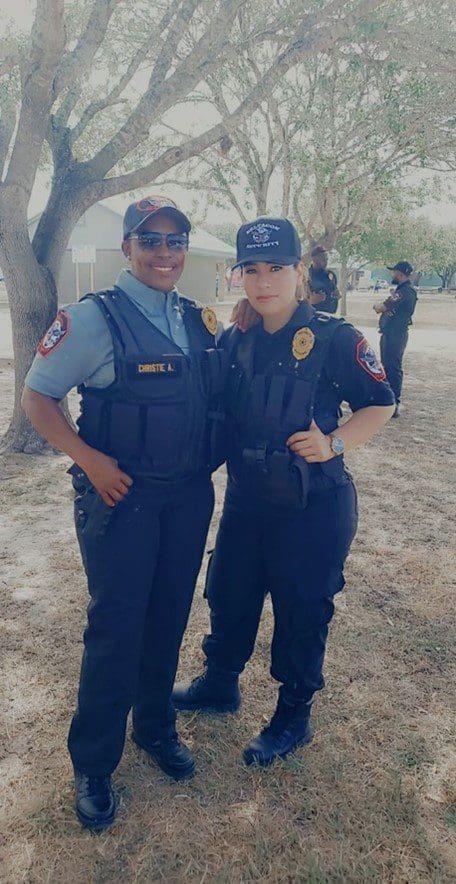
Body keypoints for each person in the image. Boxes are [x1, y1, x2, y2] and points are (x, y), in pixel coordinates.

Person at [22, 196, 228, 831]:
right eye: (151, 240)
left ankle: (154, 727)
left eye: (175, 241)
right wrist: (89, 460)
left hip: (188, 498)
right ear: (128, 247)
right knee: (116, 628)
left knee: (168, 615)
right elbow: (38, 397)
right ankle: (93, 763)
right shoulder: (89, 320)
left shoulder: (200, 320)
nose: (164, 253)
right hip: (122, 501)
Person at [173, 216, 395, 767]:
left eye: (276, 268)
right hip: (247, 502)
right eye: (252, 270)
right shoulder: (237, 336)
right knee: (229, 593)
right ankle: (220, 684)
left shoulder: (335, 337)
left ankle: (293, 716)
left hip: (311, 506)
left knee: (301, 611)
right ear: (240, 276)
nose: (264, 281)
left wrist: (335, 444)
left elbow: (380, 402)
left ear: (299, 271)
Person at [373, 260, 417, 417]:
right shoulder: (402, 290)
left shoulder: (406, 291)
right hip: (390, 333)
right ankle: (388, 400)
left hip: (396, 334)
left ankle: (394, 403)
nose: (392, 275)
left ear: (400, 274)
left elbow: (382, 307)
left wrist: (377, 306)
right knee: (388, 365)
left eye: (394, 272)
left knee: (393, 367)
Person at [308, 245, 341, 313]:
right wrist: (310, 301)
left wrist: (336, 295)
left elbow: (334, 290)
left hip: (330, 316)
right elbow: (296, 299)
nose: (326, 261)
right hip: (312, 316)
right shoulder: (305, 276)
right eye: (322, 259)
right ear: (314, 259)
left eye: (326, 259)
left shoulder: (330, 274)